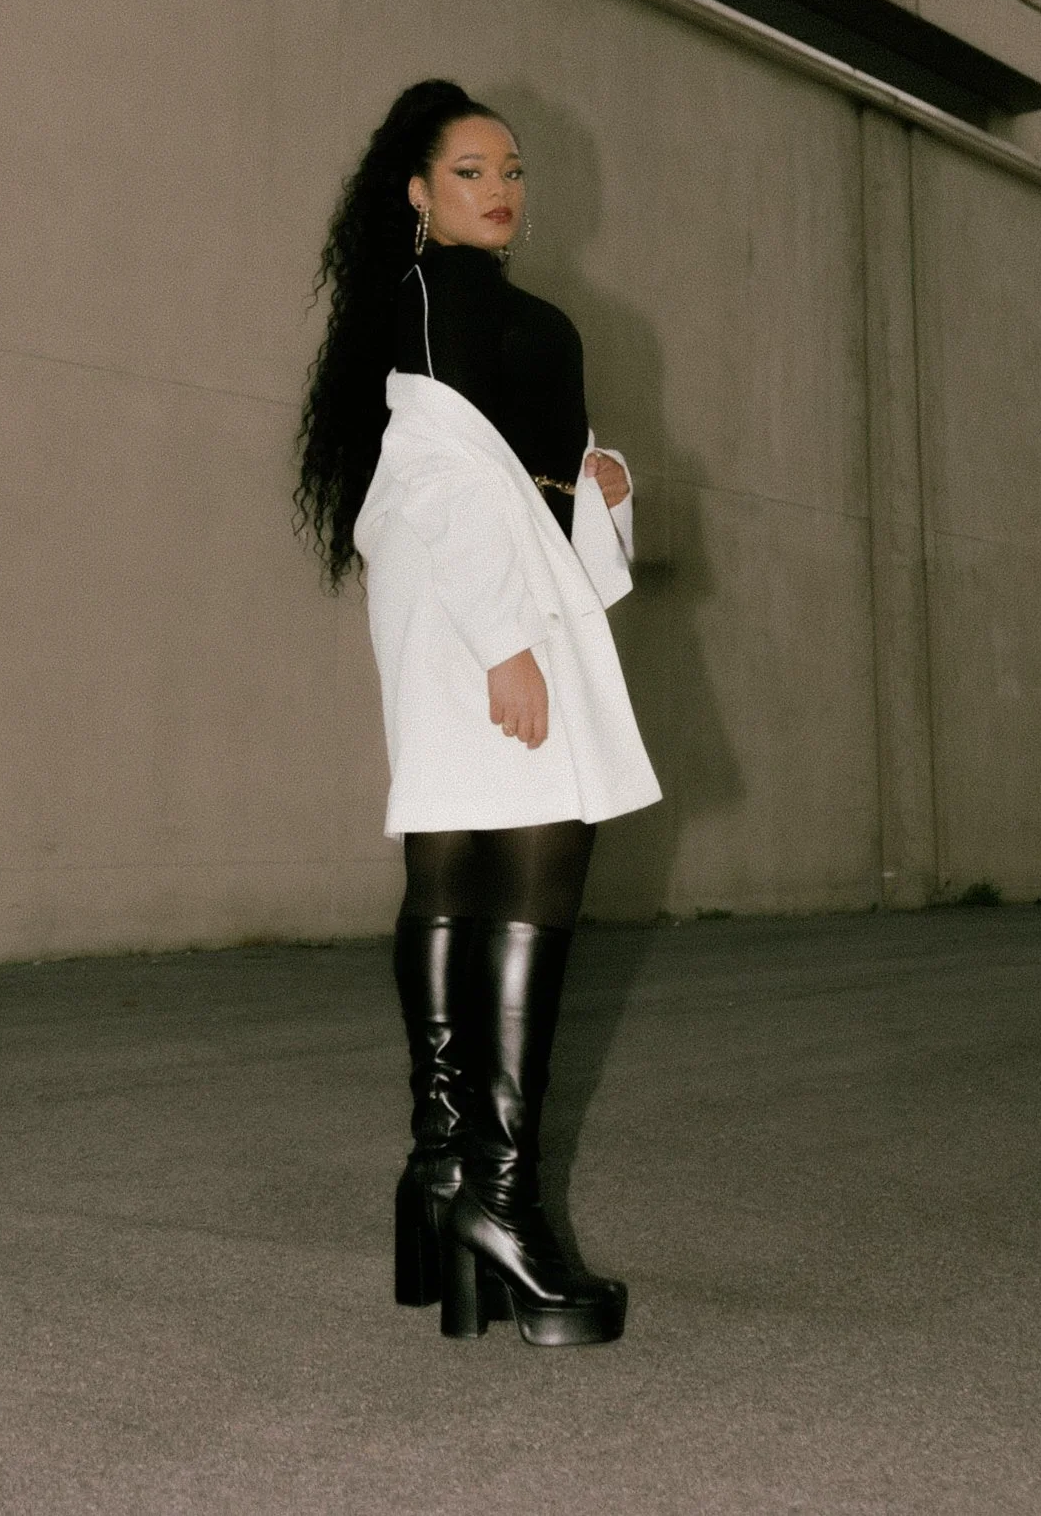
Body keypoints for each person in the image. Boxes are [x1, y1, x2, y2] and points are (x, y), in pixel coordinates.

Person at [296, 79, 660, 1347]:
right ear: (416, 192)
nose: (498, 188)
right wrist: (506, 640)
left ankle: (443, 1177)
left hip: (465, 593)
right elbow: (436, 470)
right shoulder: (445, 296)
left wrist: (599, 493)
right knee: (541, 850)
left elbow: (509, 475)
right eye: (468, 171)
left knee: (455, 856)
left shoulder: (446, 301)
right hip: (479, 604)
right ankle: (498, 1206)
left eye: (510, 170)